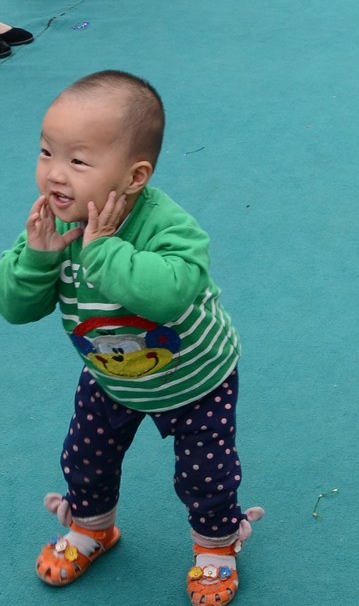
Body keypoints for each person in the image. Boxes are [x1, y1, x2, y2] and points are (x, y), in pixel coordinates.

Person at [0, 70, 261, 606]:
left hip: (196, 378)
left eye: (78, 160)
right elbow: (17, 307)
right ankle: (93, 527)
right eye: (46, 152)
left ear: (135, 176)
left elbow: (166, 294)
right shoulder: (52, 224)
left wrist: (100, 250)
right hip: (111, 376)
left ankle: (216, 546)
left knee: (207, 474)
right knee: (85, 457)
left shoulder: (169, 227)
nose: (54, 174)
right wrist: (39, 257)